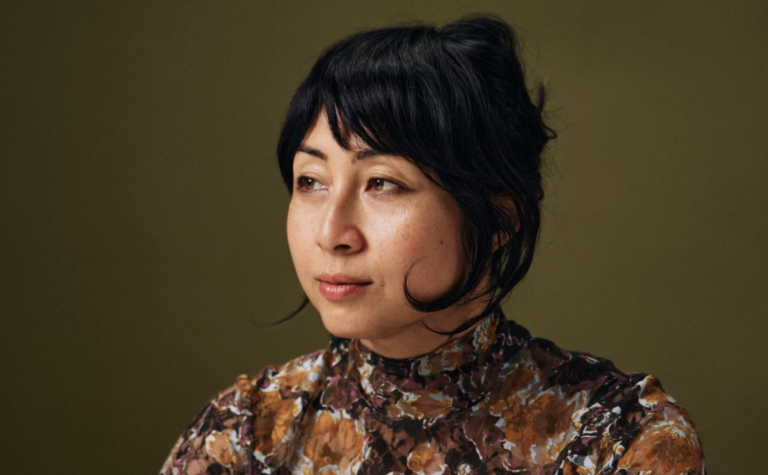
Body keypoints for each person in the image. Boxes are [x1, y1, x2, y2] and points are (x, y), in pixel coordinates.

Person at [159, 13, 706, 475]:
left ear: (499, 218)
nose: (331, 233)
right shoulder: (246, 433)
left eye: (382, 183)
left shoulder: (618, 439)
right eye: (311, 181)